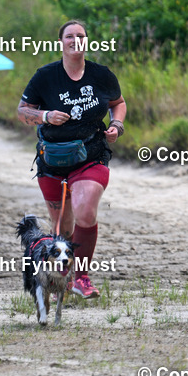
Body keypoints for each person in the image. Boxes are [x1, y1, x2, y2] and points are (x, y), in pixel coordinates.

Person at [17, 20, 126, 299]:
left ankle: (82, 278)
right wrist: (45, 116)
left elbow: (118, 103)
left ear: (87, 41)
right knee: (62, 227)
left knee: (85, 210)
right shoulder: (45, 76)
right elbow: (22, 111)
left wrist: (117, 125)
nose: (75, 40)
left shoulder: (101, 75)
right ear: (61, 43)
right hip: (52, 160)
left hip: (91, 155)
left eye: (80, 36)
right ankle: (61, 279)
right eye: (69, 36)